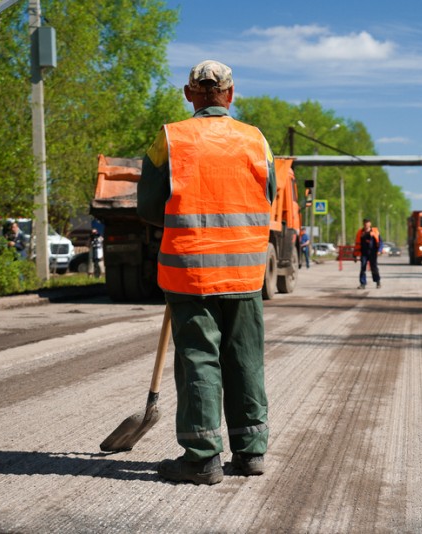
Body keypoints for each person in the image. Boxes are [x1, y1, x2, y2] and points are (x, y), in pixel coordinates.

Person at [137, 60, 275, 486]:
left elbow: (147, 207)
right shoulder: (256, 140)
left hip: (191, 271)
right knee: (245, 358)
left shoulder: (170, 138)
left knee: (199, 359)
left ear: (188, 93)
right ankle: (250, 452)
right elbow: (268, 194)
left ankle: (201, 459)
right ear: (230, 95)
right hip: (246, 273)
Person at [354, 218, 382, 289]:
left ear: (370, 224)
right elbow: (357, 244)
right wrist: (355, 255)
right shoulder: (360, 232)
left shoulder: (375, 231)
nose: (366, 225)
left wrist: (379, 250)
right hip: (364, 253)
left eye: (367, 223)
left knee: (374, 268)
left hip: (372, 253)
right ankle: (362, 284)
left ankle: (378, 282)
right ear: (363, 224)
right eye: (365, 223)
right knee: (363, 268)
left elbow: (380, 242)